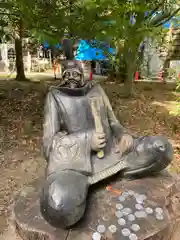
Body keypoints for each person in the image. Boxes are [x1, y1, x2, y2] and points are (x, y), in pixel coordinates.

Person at [40, 60, 173, 229]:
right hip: (77, 165)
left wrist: (124, 134)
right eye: (67, 74)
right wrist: (87, 141)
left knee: (161, 148)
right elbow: (48, 144)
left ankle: (121, 171)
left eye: (76, 74)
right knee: (59, 206)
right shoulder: (55, 97)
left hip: (114, 153)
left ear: (83, 74)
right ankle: (84, 186)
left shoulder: (96, 90)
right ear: (61, 75)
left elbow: (113, 123)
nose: (72, 78)